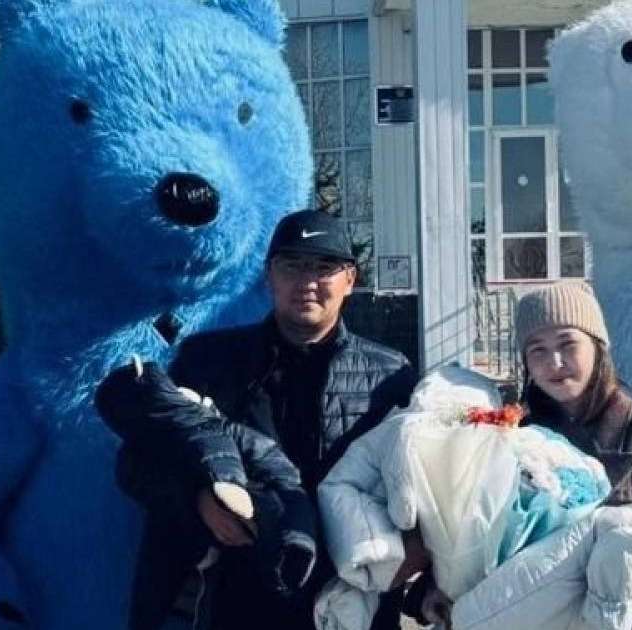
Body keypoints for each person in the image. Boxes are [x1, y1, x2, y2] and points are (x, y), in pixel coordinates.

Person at [125, 209, 419, 630]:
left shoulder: (391, 376)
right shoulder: (209, 362)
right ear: (269, 276)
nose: (307, 281)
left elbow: (419, 488)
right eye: (292, 265)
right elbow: (140, 463)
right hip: (238, 595)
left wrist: (418, 552)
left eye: (324, 266)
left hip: (351, 599)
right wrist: (199, 502)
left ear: (350, 279)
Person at [411, 281, 632, 629]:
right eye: (537, 350)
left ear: (598, 346)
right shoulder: (509, 436)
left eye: (568, 344)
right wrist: (433, 588)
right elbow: (466, 529)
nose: (554, 363)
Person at [95, 362, 319, 630]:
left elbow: (279, 476)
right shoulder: (205, 365)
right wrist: (200, 497)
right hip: (199, 563)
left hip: (272, 547)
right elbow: (140, 472)